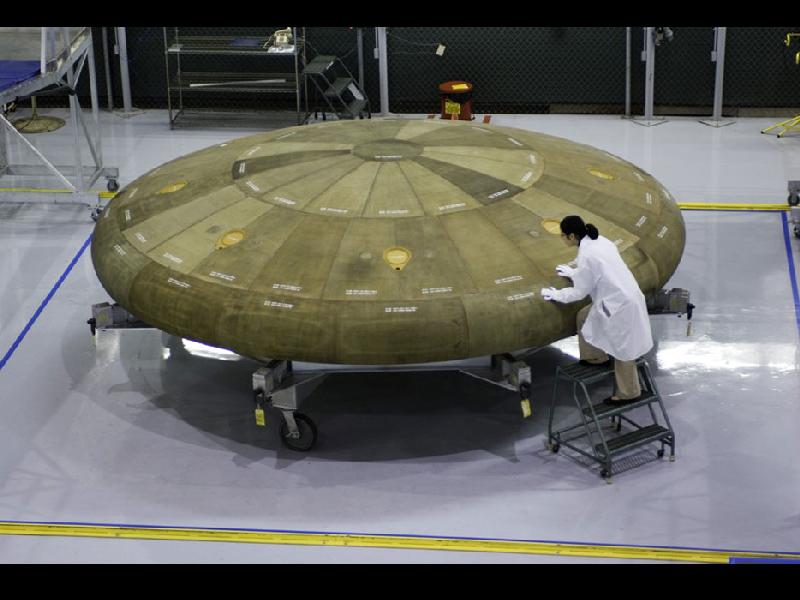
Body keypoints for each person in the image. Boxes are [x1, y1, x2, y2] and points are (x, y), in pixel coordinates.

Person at [540, 215, 653, 405]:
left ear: (572, 236)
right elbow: (598, 271)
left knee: (623, 350)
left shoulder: (587, 255)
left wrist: (556, 294)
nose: (562, 238)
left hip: (620, 305)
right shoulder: (600, 241)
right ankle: (595, 357)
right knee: (583, 316)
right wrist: (574, 272)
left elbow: (579, 292)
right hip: (622, 295)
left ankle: (629, 393)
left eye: (563, 235)